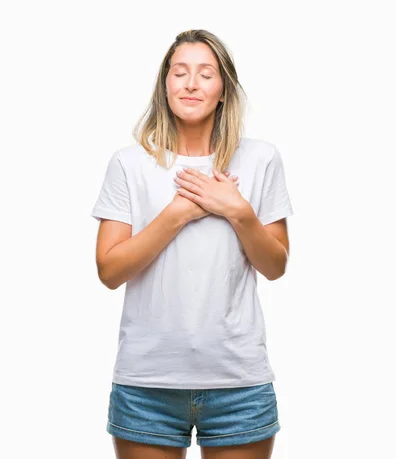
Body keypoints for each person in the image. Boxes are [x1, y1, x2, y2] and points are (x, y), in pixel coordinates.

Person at [90, 29, 293, 459]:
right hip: (147, 383)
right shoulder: (130, 164)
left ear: (223, 90)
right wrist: (180, 212)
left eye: (206, 73)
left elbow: (275, 265)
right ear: (165, 85)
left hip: (239, 382)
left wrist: (237, 211)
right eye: (179, 72)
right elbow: (109, 271)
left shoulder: (261, 159)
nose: (191, 83)